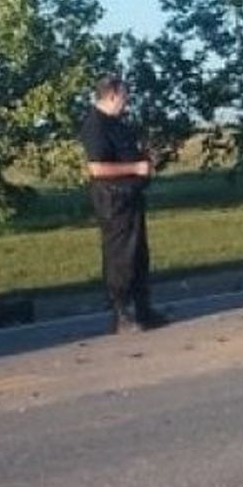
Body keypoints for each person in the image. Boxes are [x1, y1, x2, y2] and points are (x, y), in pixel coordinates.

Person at [79, 75, 168, 333]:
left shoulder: (116, 123)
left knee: (139, 253)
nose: (127, 102)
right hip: (113, 197)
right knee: (121, 255)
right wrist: (135, 166)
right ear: (112, 95)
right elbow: (96, 168)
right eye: (125, 96)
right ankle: (122, 312)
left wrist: (146, 160)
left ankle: (143, 309)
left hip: (130, 194)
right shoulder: (95, 125)